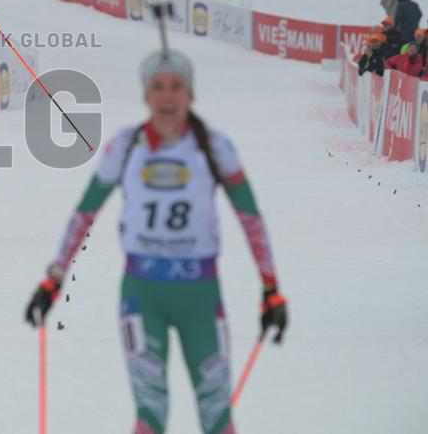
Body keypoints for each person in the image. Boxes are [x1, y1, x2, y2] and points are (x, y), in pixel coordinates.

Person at [24, 50, 288, 434]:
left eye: (176, 87)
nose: (168, 96)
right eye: (158, 87)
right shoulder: (125, 146)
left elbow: (251, 219)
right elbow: (85, 212)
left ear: (190, 93)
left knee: (217, 415)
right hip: (142, 295)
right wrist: (54, 276)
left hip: (200, 295)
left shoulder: (214, 147)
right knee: (150, 414)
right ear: (146, 95)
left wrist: (271, 287)